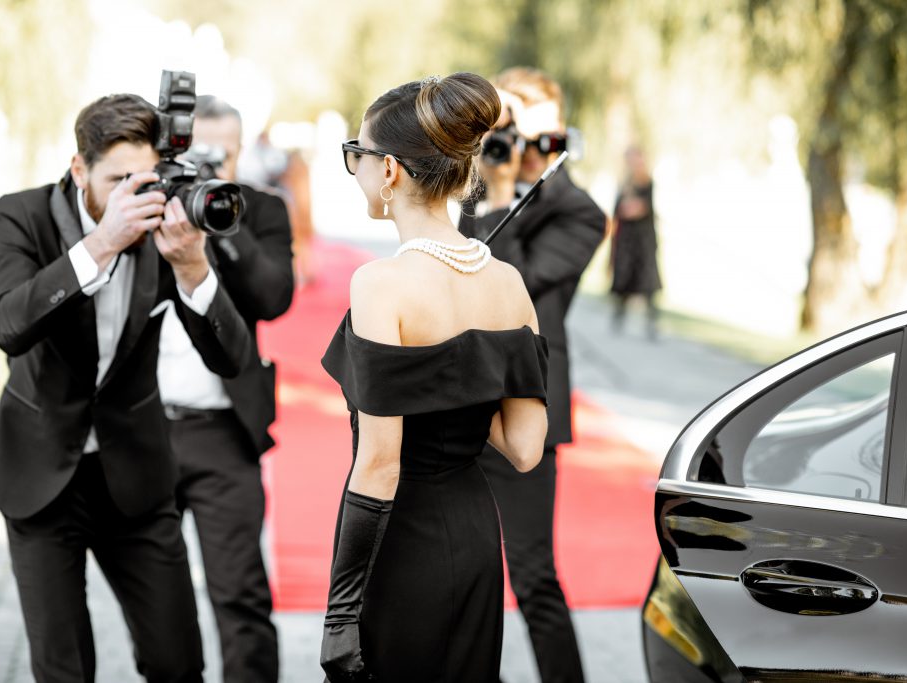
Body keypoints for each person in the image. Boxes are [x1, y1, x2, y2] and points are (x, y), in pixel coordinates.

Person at [0, 93, 252, 682]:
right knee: (64, 668)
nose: (136, 193)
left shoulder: (164, 220)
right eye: (118, 178)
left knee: (178, 662)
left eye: (144, 178)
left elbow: (232, 358)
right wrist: (101, 242)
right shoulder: (21, 215)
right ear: (80, 169)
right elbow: (6, 325)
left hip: (137, 480)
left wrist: (194, 268)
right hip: (41, 478)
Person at [318, 72, 550, 683]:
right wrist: (464, 386)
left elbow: (379, 464)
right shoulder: (508, 283)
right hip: (474, 536)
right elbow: (525, 449)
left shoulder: (381, 284)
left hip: (403, 544)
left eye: (358, 155)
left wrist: (341, 612)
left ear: (389, 170)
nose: (357, 169)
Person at [459, 67, 607, 683]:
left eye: (530, 126)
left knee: (531, 571)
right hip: (454, 396)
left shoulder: (579, 212)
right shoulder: (463, 185)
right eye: (507, 121)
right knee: (458, 571)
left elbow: (512, 288)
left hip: (524, 408)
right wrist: (481, 179)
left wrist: (498, 197)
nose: (517, 138)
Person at [158, 95, 294, 683]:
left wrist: (222, 217)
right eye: (197, 156)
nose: (209, 167)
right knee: (157, 603)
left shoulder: (260, 209)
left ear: (240, 153)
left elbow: (274, 298)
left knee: (239, 594)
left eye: (223, 156)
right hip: (145, 429)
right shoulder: (148, 202)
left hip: (225, 429)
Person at [609, 145, 661, 338]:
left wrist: (630, 207)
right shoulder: (624, 184)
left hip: (643, 239)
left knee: (648, 282)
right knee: (624, 279)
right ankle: (618, 319)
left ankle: (652, 324)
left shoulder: (646, 183)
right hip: (626, 239)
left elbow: (638, 208)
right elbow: (619, 211)